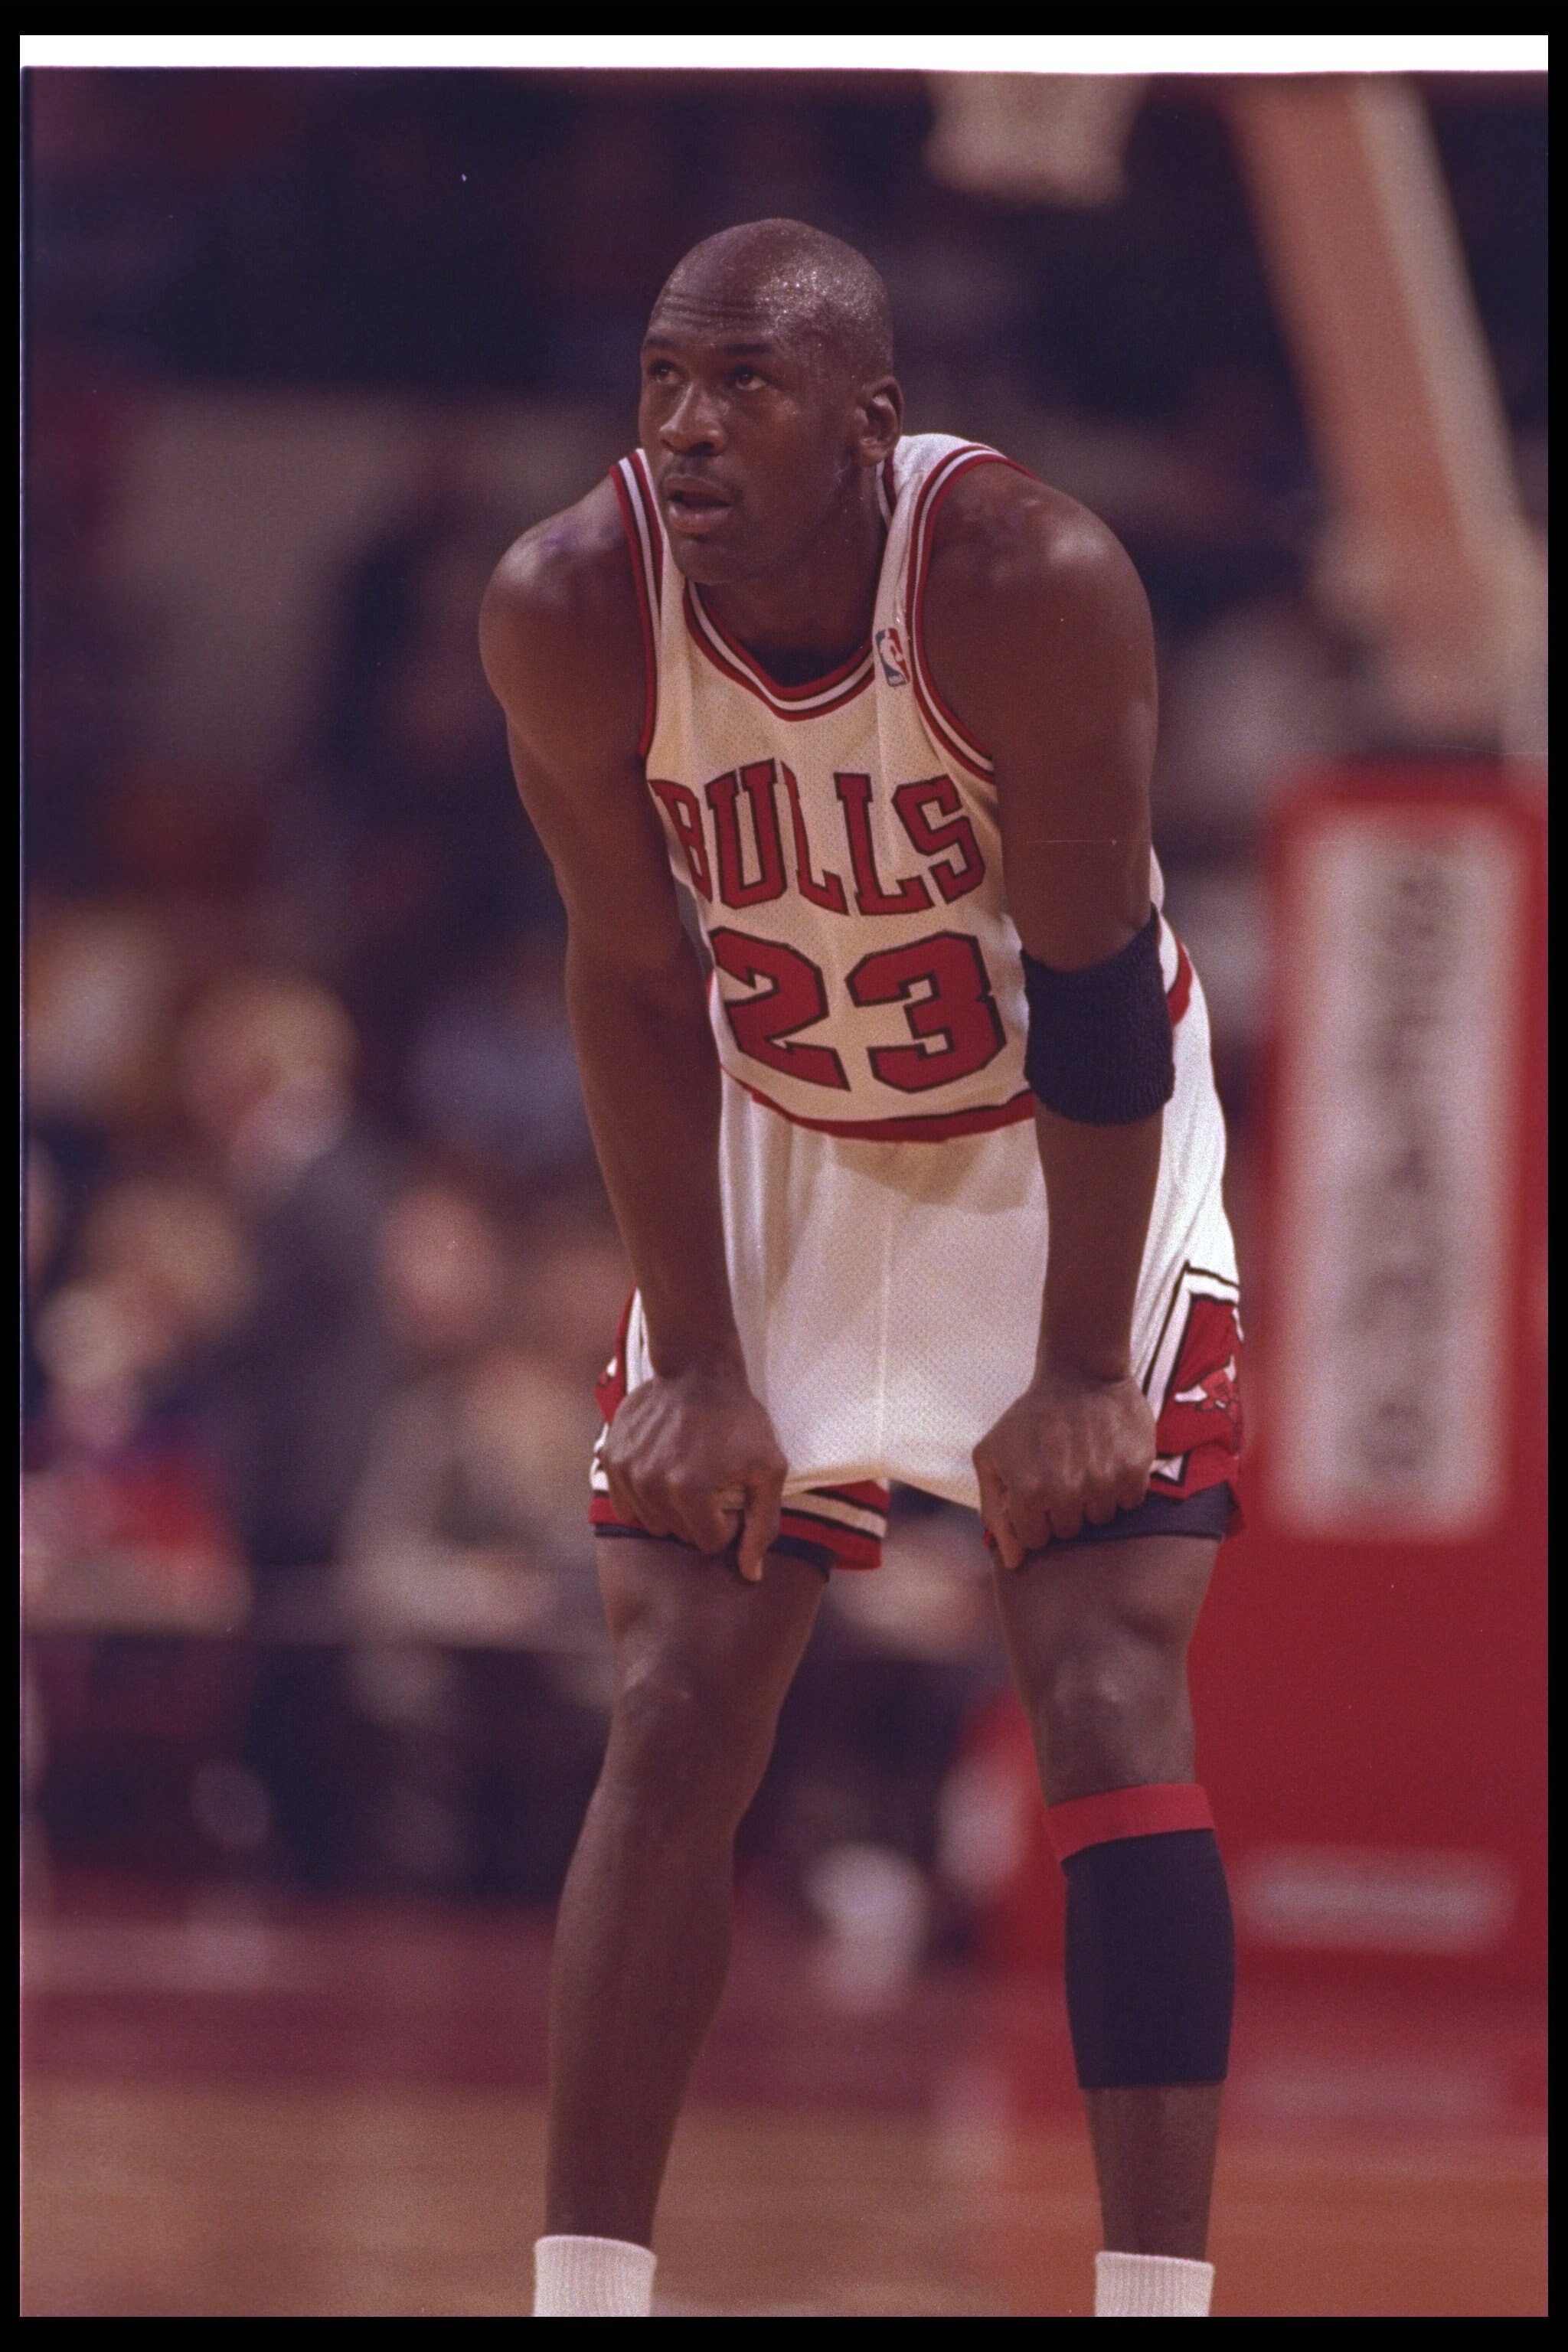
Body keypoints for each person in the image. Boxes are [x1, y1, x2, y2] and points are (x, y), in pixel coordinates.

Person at [481, 220, 1243, 2323]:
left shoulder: (1027, 579)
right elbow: (631, 982)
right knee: (677, 1695)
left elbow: (1094, 992)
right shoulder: (571, 600)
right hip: (785, 1134)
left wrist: (1078, 1369)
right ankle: (582, 2298)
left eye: (745, 385)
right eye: (663, 379)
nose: (687, 426)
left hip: (1055, 1150)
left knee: (1101, 1685)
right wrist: (699, 1358)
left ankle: (1156, 2302)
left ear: (871, 425)